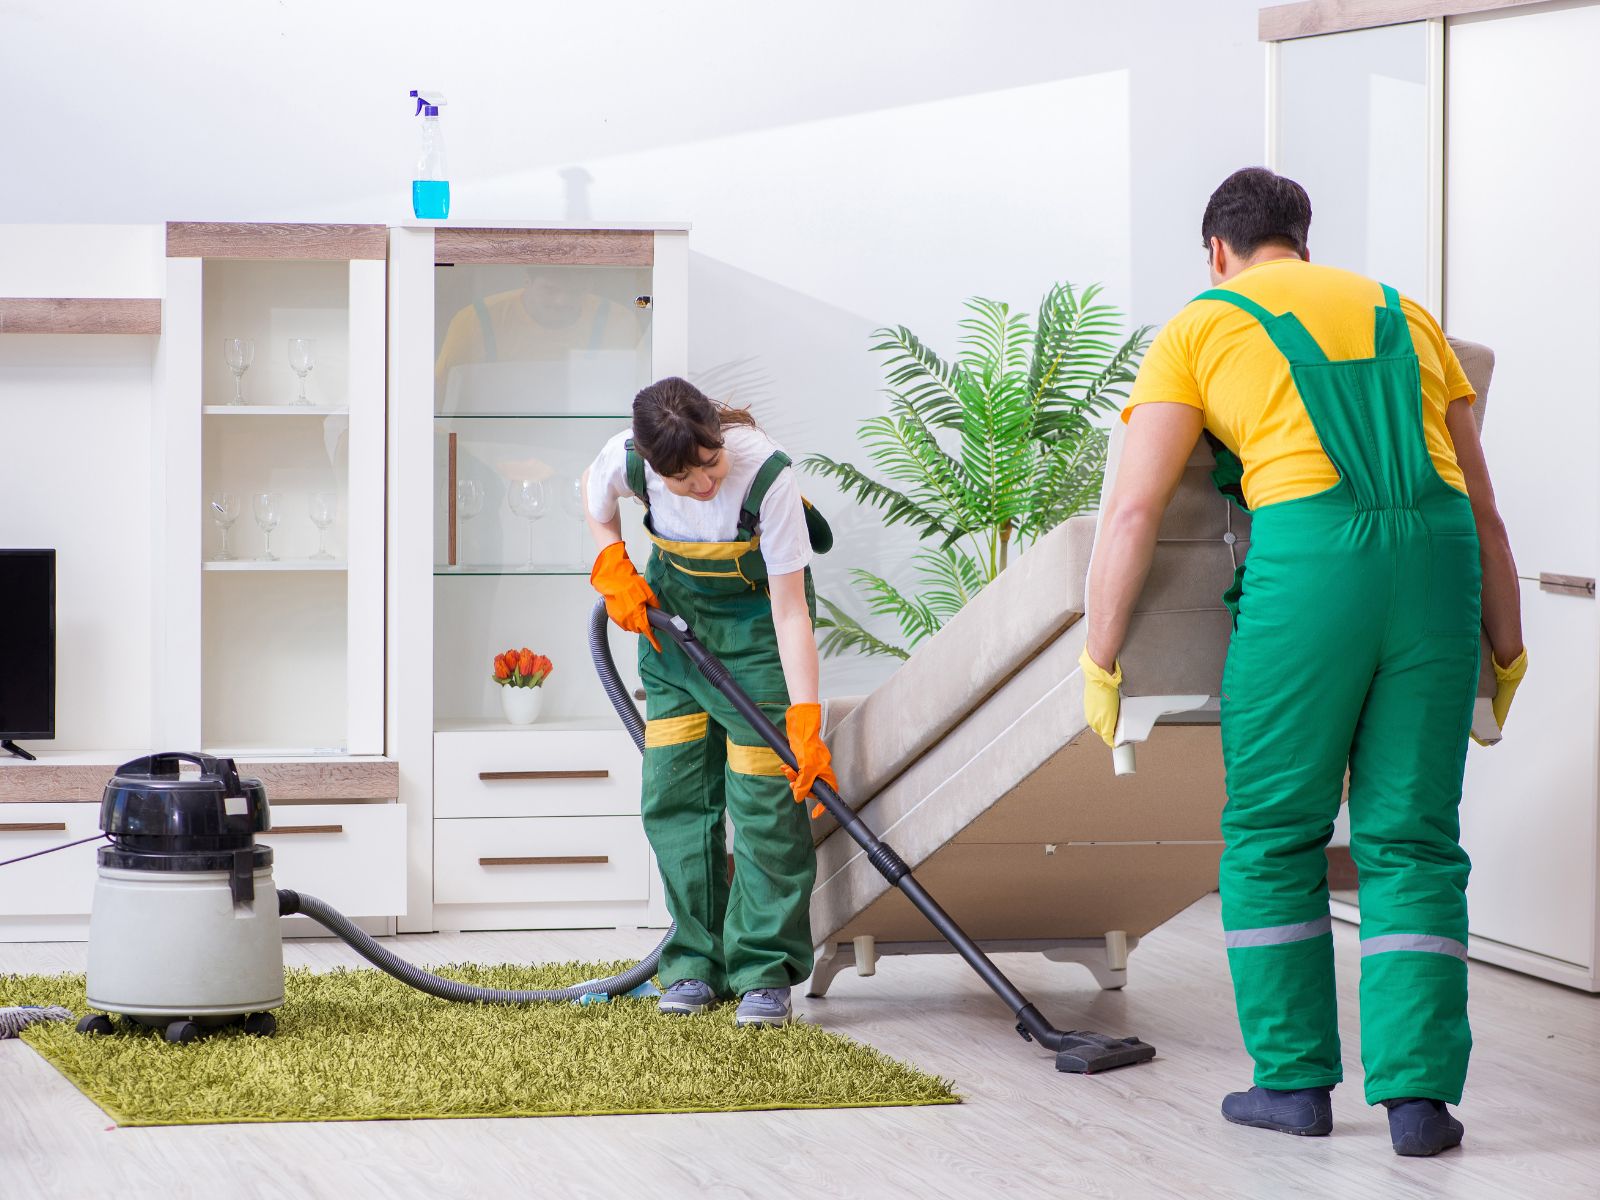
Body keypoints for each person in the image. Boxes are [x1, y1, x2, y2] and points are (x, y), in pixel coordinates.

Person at [1082, 168, 1527, 1157]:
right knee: (1411, 840)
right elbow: (1486, 510)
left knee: (1274, 830)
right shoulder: (1406, 314)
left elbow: (1134, 510)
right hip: (1439, 563)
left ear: (1216, 252)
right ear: (1302, 242)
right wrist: (1505, 648)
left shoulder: (1199, 325)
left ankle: (1291, 1085)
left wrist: (1101, 657)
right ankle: (1418, 1105)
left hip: (1313, 564)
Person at [582, 377, 836, 1028]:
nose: (703, 484)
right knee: (675, 797)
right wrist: (612, 559)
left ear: (718, 439)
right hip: (673, 641)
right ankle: (694, 961)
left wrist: (805, 718)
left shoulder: (765, 475)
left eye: (710, 463)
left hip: (756, 642)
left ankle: (763, 972)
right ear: (652, 464)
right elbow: (593, 496)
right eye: (683, 478)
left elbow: (790, 611)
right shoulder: (628, 459)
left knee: (765, 810)